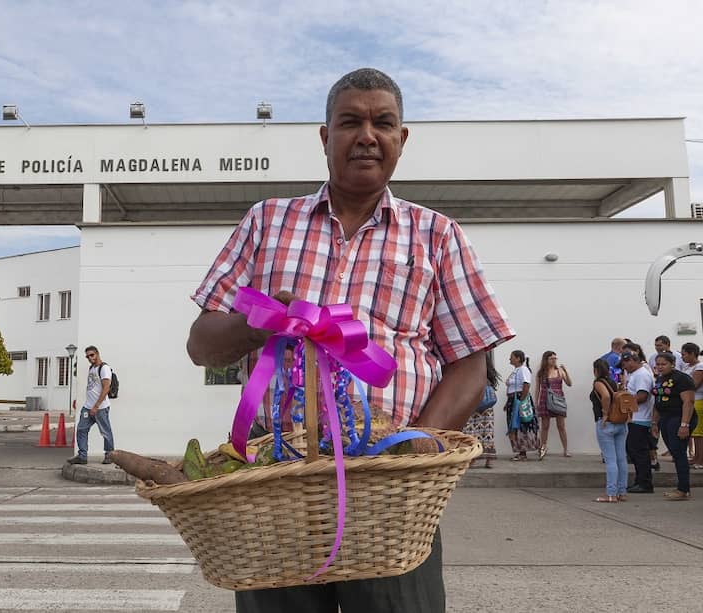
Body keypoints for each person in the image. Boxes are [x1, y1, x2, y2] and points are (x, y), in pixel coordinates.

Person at [187, 67, 515, 613]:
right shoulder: (267, 222)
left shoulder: (437, 234)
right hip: (278, 480)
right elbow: (202, 344)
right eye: (350, 122)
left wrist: (412, 450)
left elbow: (471, 360)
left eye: (383, 122)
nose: (367, 135)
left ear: (401, 139)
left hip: (391, 488)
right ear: (325, 136)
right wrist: (264, 321)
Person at [652, 352, 697, 500]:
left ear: (672, 364)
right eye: (658, 364)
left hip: (679, 417)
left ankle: (683, 490)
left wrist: (684, 425)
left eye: (663, 364)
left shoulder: (682, 379)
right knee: (674, 452)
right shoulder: (660, 379)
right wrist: (654, 423)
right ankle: (681, 487)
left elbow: (688, 402)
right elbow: (657, 401)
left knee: (679, 453)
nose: (660, 367)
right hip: (665, 418)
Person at [67, 346, 114, 465]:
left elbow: (106, 388)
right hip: (88, 407)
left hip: (100, 408)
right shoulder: (92, 368)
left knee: (105, 431)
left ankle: (109, 454)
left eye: (92, 355)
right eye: (87, 356)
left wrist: (96, 406)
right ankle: (82, 456)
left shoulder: (104, 368)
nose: (90, 358)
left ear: (97, 354)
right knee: (81, 429)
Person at [590, 359, 627, 502]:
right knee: (621, 458)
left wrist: (605, 413)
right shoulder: (613, 382)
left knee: (610, 459)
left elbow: (605, 396)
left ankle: (611, 493)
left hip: (606, 423)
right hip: (620, 423)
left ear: (595, 370)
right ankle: (621, 492)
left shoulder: (598, 382)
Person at [619, 350, 655, 493]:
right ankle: (640, 480)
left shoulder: (641, 375)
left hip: (640, 419)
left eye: (625, 363)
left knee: (639, 452)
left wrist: (623, 403)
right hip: (635, 419)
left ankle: (644, 483)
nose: (624, 366)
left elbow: (642, 396)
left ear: (633, 360)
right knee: (634, 451)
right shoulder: (635, 374)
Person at [463, 351, 500, 469]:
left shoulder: (472, 370)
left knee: (471, 433)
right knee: (487, 433)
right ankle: (489, 460)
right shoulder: (488, 371)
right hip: (487, 407)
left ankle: (472, 459)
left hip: (473, 404)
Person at [533, 350, 572, 458]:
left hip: (558, 400)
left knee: (561, 426)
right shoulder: (541, 373)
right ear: (546, 360)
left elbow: (569, 383)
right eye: (552, 358)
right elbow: (537, 389)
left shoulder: (559, 371)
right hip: (545, 399)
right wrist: (536, 403)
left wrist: (566, 371)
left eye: (555, 358)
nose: (554, 360)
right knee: (545, 426)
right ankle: (543, 447)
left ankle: (566, 449)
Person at [505, 350, 539, 461]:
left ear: (518, 358)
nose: (509, 359)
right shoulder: (516, 370)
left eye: (512, 357)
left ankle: (523, 452)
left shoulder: (523, 370)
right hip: (513, 399)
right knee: (514, 424)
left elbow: (526, 384)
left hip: (518, 399)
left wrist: (521, 401)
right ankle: (520, 451)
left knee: (521, 424)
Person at [678, 342, 703, 468]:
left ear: (693, 354)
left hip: (697, 400)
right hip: (687, 400)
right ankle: (695, 457)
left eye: (684, 355)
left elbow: (694, 385)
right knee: (694, 433)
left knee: (699, 433)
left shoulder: (699, 367)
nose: (682, 357)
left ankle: (700, 459)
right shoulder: (687, 367)